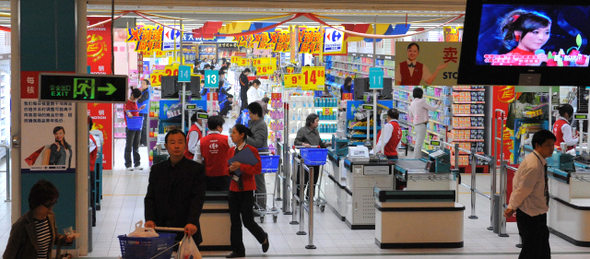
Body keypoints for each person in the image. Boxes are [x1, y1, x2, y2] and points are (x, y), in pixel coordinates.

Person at [145, 129, 207, 246]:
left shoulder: (196, 169)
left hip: (186, 227)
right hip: (160, 226)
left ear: (186, 144)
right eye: (172, 143)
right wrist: (150, 219)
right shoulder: (157, 169)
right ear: (166, 146)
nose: (176, 146)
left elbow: (197, 198)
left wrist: (192, 221)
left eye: (180, 142)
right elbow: (150, 197)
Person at [504, 129, 555, 259]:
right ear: (538, 145)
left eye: (553, 144)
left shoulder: (538, 160)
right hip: (530, 214)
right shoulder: (533, 166)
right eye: (548, 145)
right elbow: (522, 190)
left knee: (542, 249)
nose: (552, 148)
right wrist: (511, 207)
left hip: (537, 212)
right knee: (531, 250)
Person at [226, 124, 269, 258]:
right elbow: (225, 169)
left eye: (234, 133)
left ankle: (263, 237)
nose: (231, 135)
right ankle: (238, 250)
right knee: (235, 222)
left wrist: (242, 166)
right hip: (233, 189)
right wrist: (230, 170)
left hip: (247, 189)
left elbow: (257, 169)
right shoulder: (230, 151)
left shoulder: (251, 150)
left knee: (248, 221)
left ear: (242, 135)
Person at [3, 179, 76, 258]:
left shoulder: (50, 217)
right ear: (36, 203)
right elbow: (8, 255)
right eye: (48, 205)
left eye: (53, 203)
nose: (51, 208)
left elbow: (53, 238)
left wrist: (66, 239)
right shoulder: (21, 226)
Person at [195, 115, 234, 191]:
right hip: (225, 176)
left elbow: (197, 161)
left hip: (208, 177)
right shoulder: (227, 139)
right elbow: (234, 156)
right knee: (224, 200)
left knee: (210, 200)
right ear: (218, 127)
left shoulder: (201, 141)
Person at [293, 113, 327, 197]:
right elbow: (296, 142)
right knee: (303, 180)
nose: (318, 123)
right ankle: (299, 197)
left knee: (314, 181)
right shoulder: (302, 131)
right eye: (316, 121)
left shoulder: (316, 131)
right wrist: (303, 144)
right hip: (305, 159)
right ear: (311, 122)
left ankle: (310, 197)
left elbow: (319, 143)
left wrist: (327, 144)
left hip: (316, 159)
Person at [246, 102, 269, 209]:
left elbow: (257, 143)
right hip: (252, 157)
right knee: (254, 181)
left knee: (259, 182)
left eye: (250, 113)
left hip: (259, 157)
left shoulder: (261, 125)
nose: (249, 115)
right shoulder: (254, 123)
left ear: (256, 114)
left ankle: (261, 206)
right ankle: (255, 205)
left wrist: (244, 136)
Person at [408, 87, 441, 159]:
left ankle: (417, 158)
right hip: (422, 125)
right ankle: (415, 159)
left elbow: (410, 115)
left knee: (417, 142)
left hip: (416, 124)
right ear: (421, 94)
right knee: (419, 143)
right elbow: (433, 109)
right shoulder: (421, 101)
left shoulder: (412, 103)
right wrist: (438, 104)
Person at [124, 88, 146, 171]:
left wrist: (139, 109)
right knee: (129, 145)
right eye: (136, 98)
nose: (137, 99)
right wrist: (128, 113)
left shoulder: (134, 102)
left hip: (137, 125)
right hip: (130, 126)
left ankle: (137, 163)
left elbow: (135, 112)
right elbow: (127, 111)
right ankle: (128, 164)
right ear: (132, 95)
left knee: (136, 145)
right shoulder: (127, 102)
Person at [88, 116, 99, 226]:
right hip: (87, 171)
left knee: (90, 198)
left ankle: (92, 220)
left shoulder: (90, 139)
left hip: (89, 172)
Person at [138, 79, 151, 147]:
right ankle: (140, 141)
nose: (142, 85)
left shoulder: (146, 92)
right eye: (141, 83)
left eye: (143, 84)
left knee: (144, 127)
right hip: (140, 111)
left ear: (147, 85)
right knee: (141, 126)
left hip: (144, 112)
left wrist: (137, 96)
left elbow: (140, 100)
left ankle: (144, 142)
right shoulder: (143, 91)